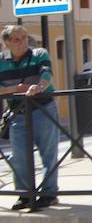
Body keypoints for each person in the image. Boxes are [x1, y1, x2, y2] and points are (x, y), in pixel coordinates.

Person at [0, 25, 59, 210]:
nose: (23, 42)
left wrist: (39, 86)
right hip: (18, 112)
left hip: (44, 108)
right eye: (17, 39)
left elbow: (46, 73)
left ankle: (49, 194)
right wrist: (16, 89)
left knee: (49, 154)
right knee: (19, 156)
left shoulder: (39, 54)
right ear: (7, 43)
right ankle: (25, 195)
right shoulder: (1, 61)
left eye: (25, 37)